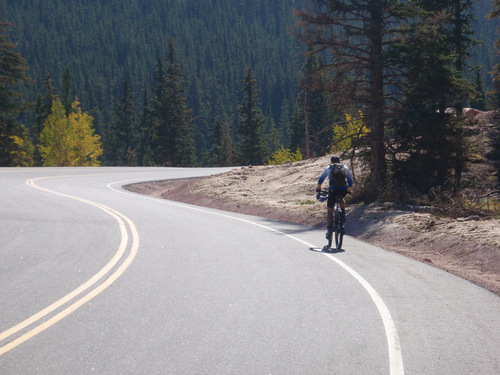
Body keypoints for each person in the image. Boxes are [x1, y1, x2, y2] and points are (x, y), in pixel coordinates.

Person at [316, 156, 353, 238]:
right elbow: (350, 180)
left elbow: (321, 179)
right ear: (339, 161)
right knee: (341, 199)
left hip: (333, 190)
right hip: (343, 190)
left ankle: (329, 230)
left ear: (331, 161)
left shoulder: (328, 168)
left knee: (330, 210)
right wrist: (349, 189)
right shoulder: (345, 167)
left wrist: (319, 188)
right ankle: (343, 213)